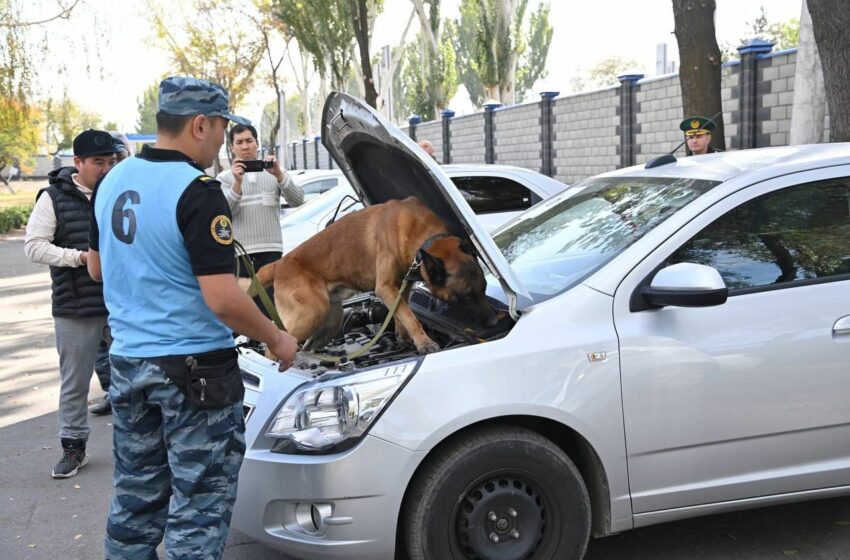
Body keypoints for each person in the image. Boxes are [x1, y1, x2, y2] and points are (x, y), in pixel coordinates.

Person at [88, 76, 298, 560]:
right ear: (200, 125)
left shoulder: (111, 182)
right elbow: (222, 298)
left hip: (127, 364)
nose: (224, 142)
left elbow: (98, 269)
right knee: (198, 506)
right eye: (223, 130)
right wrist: (277, 338)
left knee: (136, 498)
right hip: (194, 372)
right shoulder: (197, 190)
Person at [23, 129, 118, 478]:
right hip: (76, 307)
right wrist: (79, 258)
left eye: (111, 161)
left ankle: (137, 448)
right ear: (77, 163)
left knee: (134, 378)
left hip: (121, 305)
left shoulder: (120, 195)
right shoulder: (53, 198)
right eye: (98, 162)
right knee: (75, 384)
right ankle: (73, 448)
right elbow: (34, 246)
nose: (106, 168)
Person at [216, 123, 303, 319]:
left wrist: (279, 175)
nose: (245, 147)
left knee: (272, 310)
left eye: (249, 141)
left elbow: (297, 199)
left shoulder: (273, 173)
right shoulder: (225, 178)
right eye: (239, 142)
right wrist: (237, 184)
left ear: (257, 143)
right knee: (246, 312)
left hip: (271, 252)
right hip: (241, 255)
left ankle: (271, 346)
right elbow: (223, 214)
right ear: (232, 147)